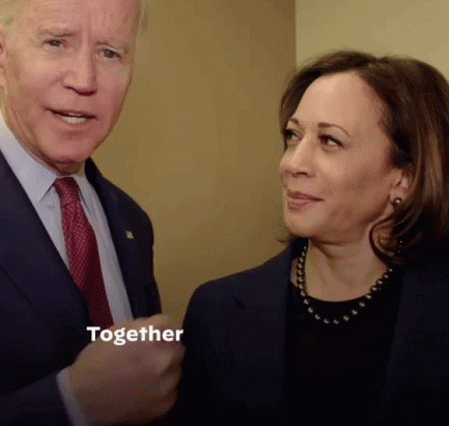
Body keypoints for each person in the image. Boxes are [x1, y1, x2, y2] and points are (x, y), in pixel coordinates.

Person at [0, 0, 183, 425]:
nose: (84, 79)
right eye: (57, 42)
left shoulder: (132, 222)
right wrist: (72, 405)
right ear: (0, 55)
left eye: (110, 52)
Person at [173, 51, 449, 425]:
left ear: (404, 178)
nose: (292, 164)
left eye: (330, 141)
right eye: (293, 136)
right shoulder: (216, 313)